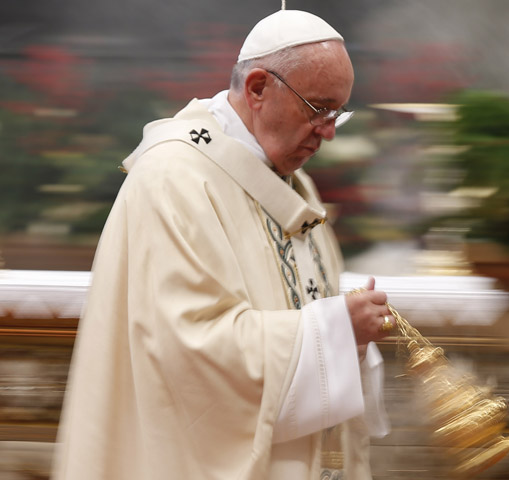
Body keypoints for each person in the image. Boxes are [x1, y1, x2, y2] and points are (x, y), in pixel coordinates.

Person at [52, 8, 393, 480]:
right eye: (318, 109)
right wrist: (333, 331)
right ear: (257, 89)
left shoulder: (294, 186)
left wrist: (345, 334)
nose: (330, 131)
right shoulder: (174, 179)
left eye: (339, 112)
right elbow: (187, 351)